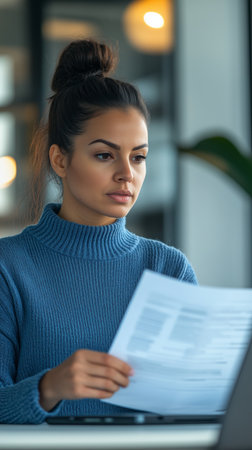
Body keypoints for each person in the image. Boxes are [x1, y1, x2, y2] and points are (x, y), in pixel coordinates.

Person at [0, 39, 197, 424]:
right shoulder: (9, 268)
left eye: (138, 157)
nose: (127, 174)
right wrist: (48, 388)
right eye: (105, 155)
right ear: (60, 159)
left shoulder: (168, 269)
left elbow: (192, 408)